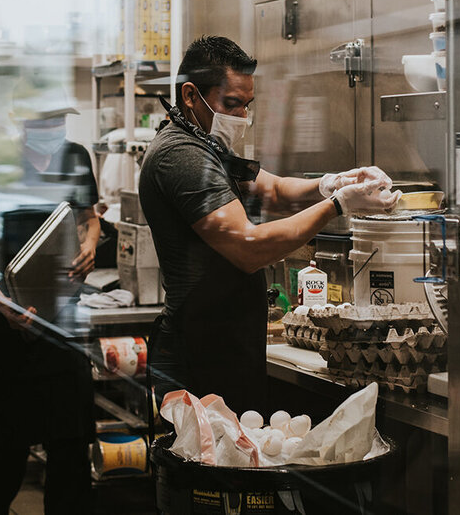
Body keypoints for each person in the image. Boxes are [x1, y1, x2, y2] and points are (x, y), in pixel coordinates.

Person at [139, 35, 400, 415]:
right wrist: (338, 205)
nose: (241, 117)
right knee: (208, 468)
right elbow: (248, 248)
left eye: (247, 105)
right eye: (231, 104)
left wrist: (332, 182)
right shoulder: (182, 155)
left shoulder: (206, 144)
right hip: (199, 349)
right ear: (191, 95)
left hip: (223, 340)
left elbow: (274, 190)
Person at [0, 88, 101, 515]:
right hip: (7, 328)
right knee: (6, 454)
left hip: (63, 326)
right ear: (21, 121)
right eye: (44, 120)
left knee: (71, 450)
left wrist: (90, 245)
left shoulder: (78, 157)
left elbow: (89, 216)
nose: (53, 129)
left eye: (59, 119)